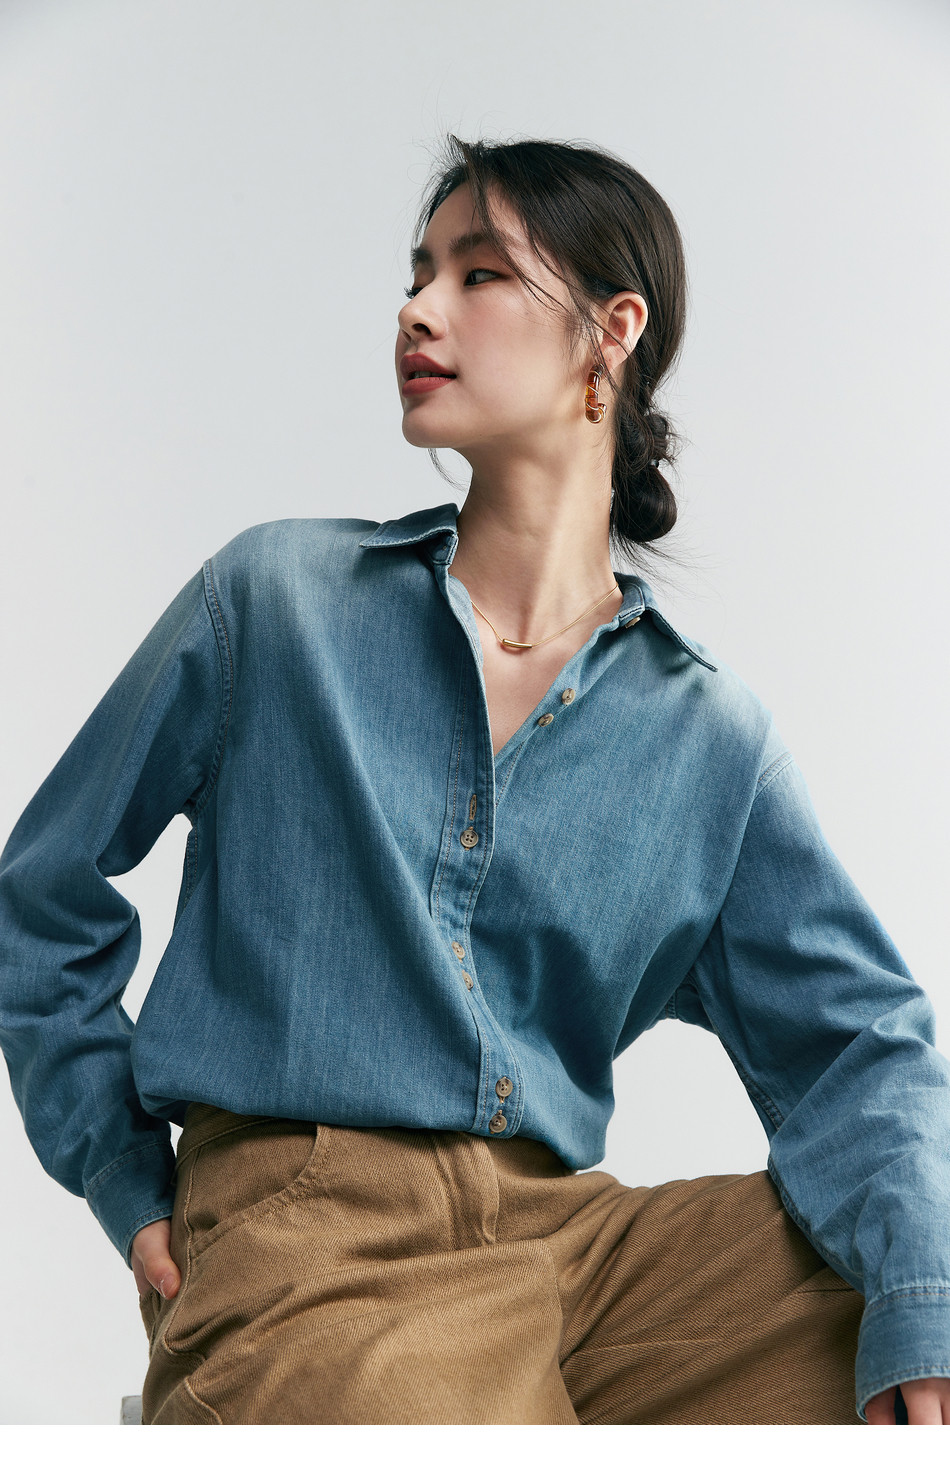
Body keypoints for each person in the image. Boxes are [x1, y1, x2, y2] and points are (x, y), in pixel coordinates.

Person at [1, 134, 948, 1427]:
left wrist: (918, 1303)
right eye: (416, 276)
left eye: (478, 272)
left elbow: (859, 1046)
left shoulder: (706, 736)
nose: (418, 309)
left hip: (576, 1255)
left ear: (610, 330)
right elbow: (41, 895)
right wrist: (122, 1172)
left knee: (913, 1282)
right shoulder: (276, 604)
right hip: (311, 1237)